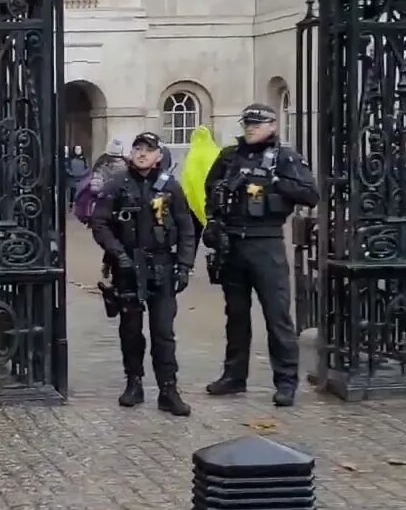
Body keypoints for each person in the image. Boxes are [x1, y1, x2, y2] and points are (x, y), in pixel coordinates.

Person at [201, 103, 319, 406]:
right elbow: (210, 189)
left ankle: (286, 381)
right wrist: (213, 221)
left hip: (266, 243)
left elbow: (310, 193)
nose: (251, 128)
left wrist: (275, 181)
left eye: (257, 123)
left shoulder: (285, 158)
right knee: (236, 315)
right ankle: (233, 376)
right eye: (248, 124)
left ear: (272, 125)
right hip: (233, 244)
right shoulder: (229, 156)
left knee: (277, 316)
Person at [89, 132, 195, 416]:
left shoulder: (170, 186)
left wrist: (185, 265)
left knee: (163, 331)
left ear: (159, 155)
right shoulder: (117, 184)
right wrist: (117, 253)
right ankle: (133, 383)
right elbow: (99, 223)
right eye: (138, 148)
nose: (142, 153)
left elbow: (186, 227)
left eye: (149, 150)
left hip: (161, 265)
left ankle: (168, 389)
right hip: (128, 266)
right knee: (131, 330)